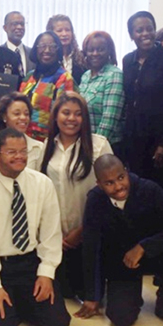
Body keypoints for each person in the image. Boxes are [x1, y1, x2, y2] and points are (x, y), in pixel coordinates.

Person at [0, 128, 71, 326]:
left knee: (59, 324)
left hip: (30, 263)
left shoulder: (42, 183)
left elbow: (51, 233)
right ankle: (17, 302)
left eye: (23, 151)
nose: (19, 157)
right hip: (0, 265)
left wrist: (46, 273)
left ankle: (22, 302)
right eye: (11, 152)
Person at [77, 155, 163, 326]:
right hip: (121, 262)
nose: (118, 186)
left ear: (126, 171)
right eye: (109, 183)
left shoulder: (149, 190)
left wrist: (144, 247)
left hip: (154, 253)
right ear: (99, 184)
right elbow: (91, 247)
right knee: (120, 318)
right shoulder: (95, 200)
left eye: (120, 178)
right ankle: (130, 295)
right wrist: (93, 295)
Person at [39, 92, 113, 301]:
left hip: (89, 234)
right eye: (66, 113)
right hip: (56, 237)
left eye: (78, 114)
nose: (71, 119)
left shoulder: (98, 146)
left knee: (89, 292)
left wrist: (82, 230)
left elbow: (110, 193)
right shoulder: (46, 147)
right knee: (63, 294)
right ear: (55, 116)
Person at [121, 11, 163, 202]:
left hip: (162, 140)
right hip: (136, 139)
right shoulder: (128, 61)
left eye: (149, 29)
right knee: (139, 193)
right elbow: (129, 101)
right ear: (131, 34)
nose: (145, 34)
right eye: (139, 30)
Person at [20, 31, 74, 142]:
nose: (47, 50)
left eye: (52, 47)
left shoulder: (63, 78)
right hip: (23, 138)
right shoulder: (30, 76)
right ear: (36, 49)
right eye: (42, 46)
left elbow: (64, 114)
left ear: (58, 50)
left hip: (48, 141)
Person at [77, 31, 125, 150]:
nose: (95, 53)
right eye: (91, 50)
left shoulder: (114, 74)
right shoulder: (85, 76)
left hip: (107, 146)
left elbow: (109, 119)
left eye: (101, 49)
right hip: (85, 143)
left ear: (109, 51)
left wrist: (95, 148)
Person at [0, 92, 42, 170]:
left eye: (26, 114)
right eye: (17, 114)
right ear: (4, 116)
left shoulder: (39, 148)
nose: (23, 117)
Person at [46, 14, 86, 83]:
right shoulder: (47, 58)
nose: (64, 34)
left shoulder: (81, 58)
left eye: (67, 30)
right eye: (59, 31)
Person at [1, 11, 34, 78]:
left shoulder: (33, 54)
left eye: (22, 24)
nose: (19, 27)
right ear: (5, 28)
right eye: (15, 24)